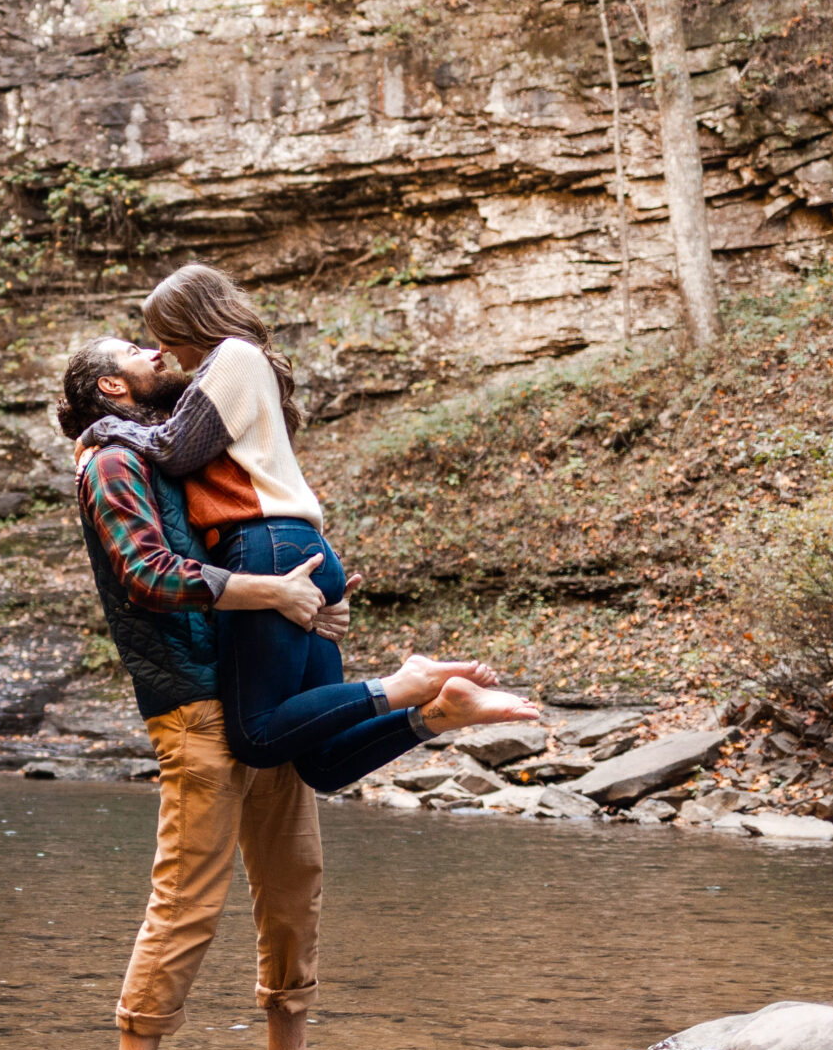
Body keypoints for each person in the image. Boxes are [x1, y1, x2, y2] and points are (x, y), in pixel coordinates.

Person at [57, 337, 519, 1050]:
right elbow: (148, 574)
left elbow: (235, 548)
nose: (158, 349)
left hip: (254, 686)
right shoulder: (108, 463)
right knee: (187, 898)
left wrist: (303, 606)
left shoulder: (176, 455)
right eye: (138, 348)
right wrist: (271, 589)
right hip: (193, 707)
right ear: (111, 383)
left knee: (294, 885)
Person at [74, 265, 540, 782]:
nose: (163, 348)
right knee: (321, 762)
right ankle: (436, 713)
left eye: (164, 333)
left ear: (190, 320)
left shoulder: (233, 356)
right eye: (146, 345)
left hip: (265, 544)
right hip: (295, 549)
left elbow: (173, 449)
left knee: (255, 736)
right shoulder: (229, 371)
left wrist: (103, 427)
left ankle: (409, 680)